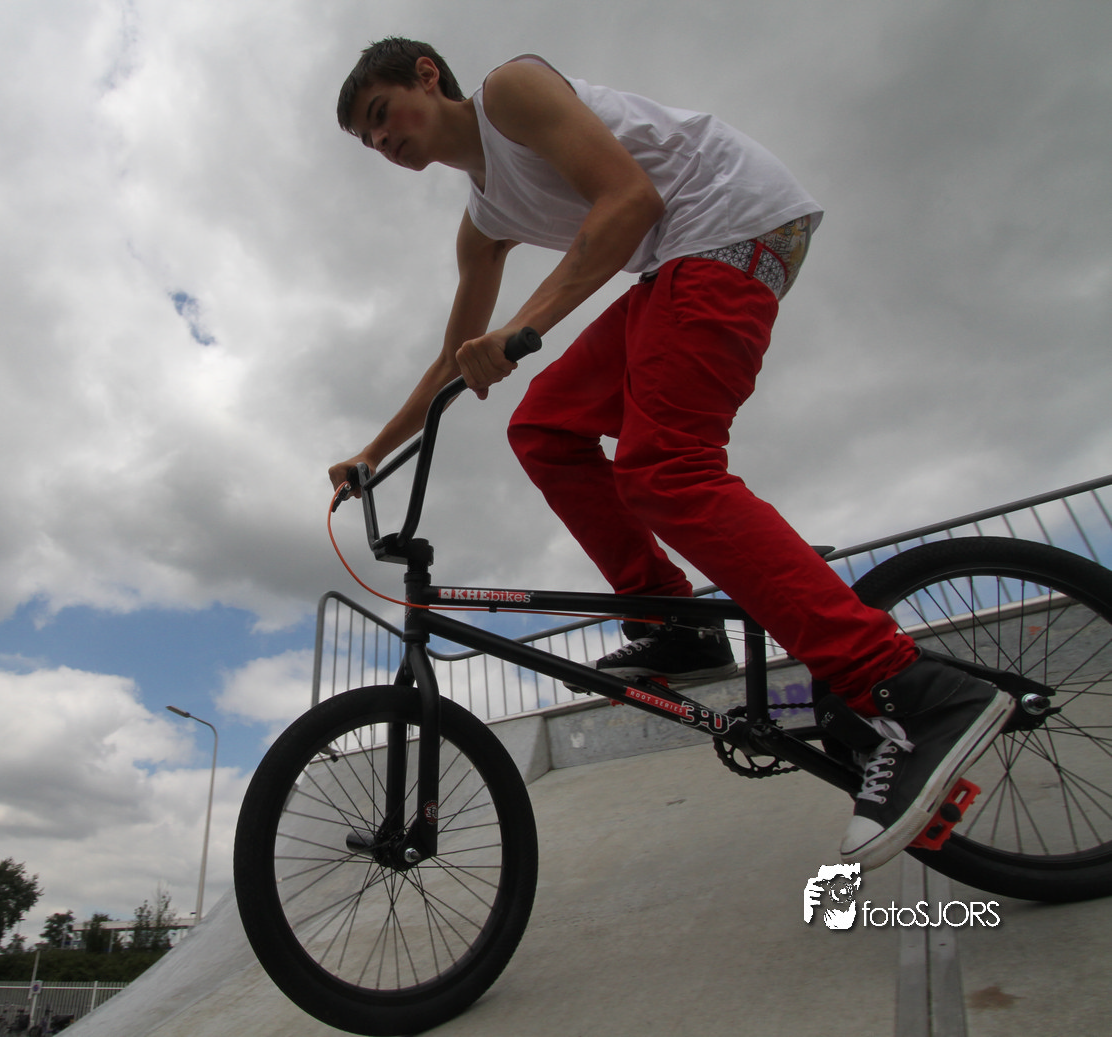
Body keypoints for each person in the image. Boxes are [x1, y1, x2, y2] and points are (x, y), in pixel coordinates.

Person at [328, 38, 1014, 869]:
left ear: (427, 76)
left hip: (732, 221)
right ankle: (671, 621)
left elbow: (629, 199)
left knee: (664, 469)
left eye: (381, 115)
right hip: (675, 261)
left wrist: (520, 329)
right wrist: (371, 452)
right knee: (543, 425)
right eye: (368, 140)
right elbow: (453, 358)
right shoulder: (483, 224)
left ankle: (912, 689)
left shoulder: (510, 91)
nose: (383, 142)